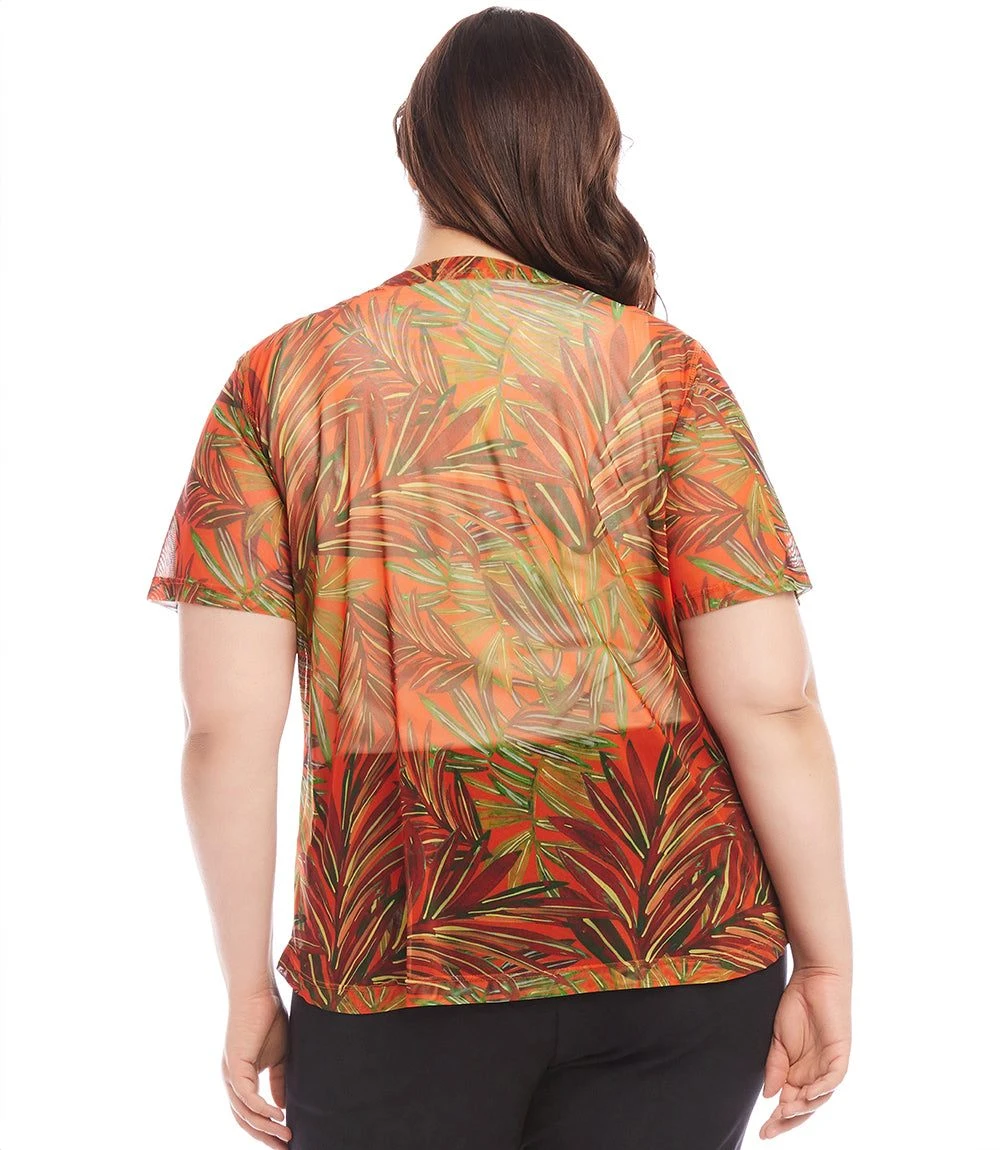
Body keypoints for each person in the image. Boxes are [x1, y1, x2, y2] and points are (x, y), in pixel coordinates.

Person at [146, 7, 852, 1149]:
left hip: (399, 952)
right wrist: (824, 960)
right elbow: (770, 697)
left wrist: (244, 989)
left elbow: (224, 729)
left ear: (413, 151)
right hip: (674, 933)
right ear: (590, 158)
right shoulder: (663, 370)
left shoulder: (277, 382)